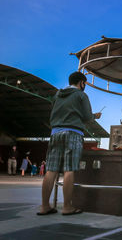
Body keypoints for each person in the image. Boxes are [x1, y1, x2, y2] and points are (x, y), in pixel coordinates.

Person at [38, 72, 101, 216]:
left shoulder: (57, 94)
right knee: (69, 169)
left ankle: (45, 206)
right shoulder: (81, 95)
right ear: (81, 83)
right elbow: (86, 117)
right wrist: (94, 116)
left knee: (51, 170)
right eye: (84, 83)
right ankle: (67, 207)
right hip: (73, 133)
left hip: (55, 133)